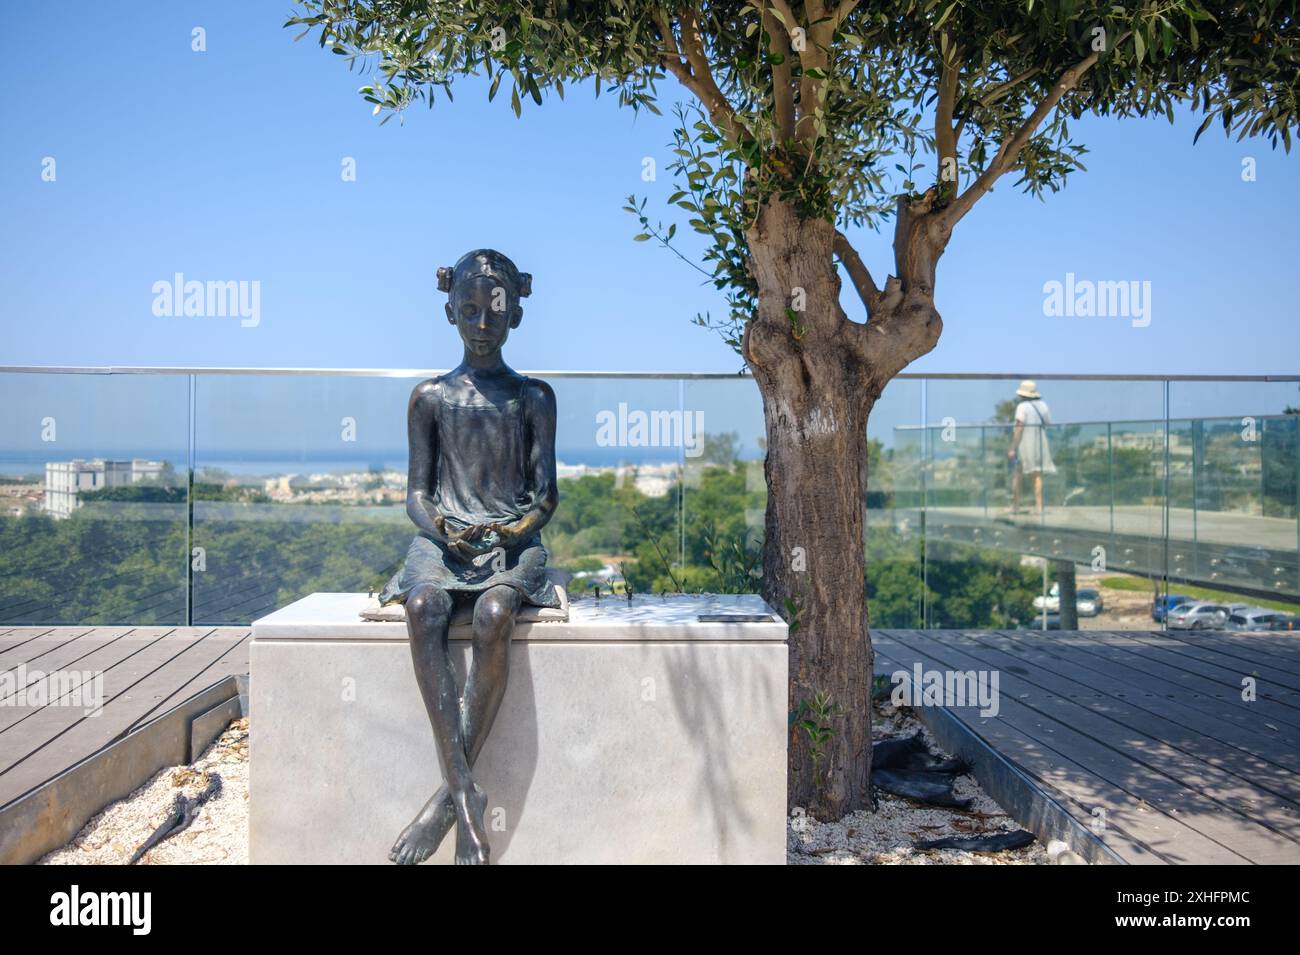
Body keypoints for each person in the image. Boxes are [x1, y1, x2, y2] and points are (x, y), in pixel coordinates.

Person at [381, 249, 560, 865]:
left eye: (495, 310)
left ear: (514, 316)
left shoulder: (533, 396)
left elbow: (545, 498)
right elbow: (417, 495)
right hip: (444, 544)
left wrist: (515, 532)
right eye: (470, 310)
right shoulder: (429, 398)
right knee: (424, 605)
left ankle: (446, 802)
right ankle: (466, 799)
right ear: (451, 311)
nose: (482, 322)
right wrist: (442, 529)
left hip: (512, 546)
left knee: (492, 618)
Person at [1008, 379, 1055, 516]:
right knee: (1037, 475)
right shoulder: (1043, 406)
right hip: (1040, 442)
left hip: (1025, 443)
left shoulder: (1022, 407)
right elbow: (1048, 423)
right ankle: (1039, 507)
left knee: (1018, 474)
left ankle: (1015, 506)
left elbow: (1019, 427)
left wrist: (1012, 447)